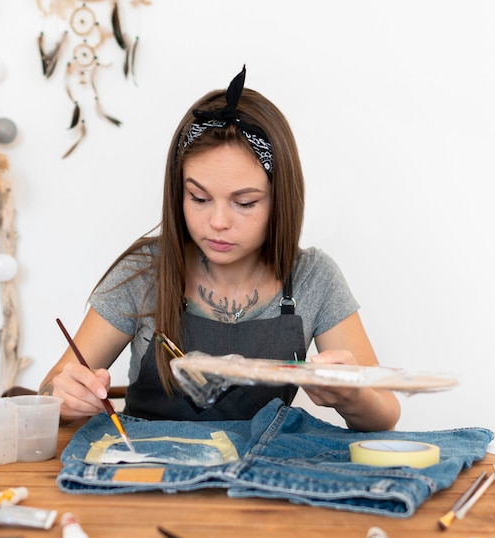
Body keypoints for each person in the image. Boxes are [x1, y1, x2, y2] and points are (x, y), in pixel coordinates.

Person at [40, 66, 400, 431]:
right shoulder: (145, 271)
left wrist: (354, 396)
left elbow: (385, 411)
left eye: (244, 203)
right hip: (149, 472)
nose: (217, 222)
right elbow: (51, 387)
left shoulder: (312, 278)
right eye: (198, 197)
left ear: (281, 199)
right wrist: (63, 395)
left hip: (259, 478)